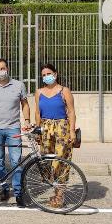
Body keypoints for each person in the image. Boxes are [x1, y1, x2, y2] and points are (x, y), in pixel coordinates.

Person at [0, 58, 31, 208]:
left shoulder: (18, 85)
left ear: (7, 69)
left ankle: (18, 193)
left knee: (16, 162)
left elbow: (25, 104)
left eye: (2, 68)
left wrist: (27, 121)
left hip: (13, 129)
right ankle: (3, 189)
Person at [35, 63, 77, 208]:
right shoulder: (39, 92)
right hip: (45, 129)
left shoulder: (64, 91)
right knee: (46, 161)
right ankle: (55, 189)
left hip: (62, 128)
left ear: (55, 74)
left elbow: (71, 111)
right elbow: (37, 113)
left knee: (61, 160)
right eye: (44, 75)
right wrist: (38, 130)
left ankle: (59, 195)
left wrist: (72, 130)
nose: (46, 77)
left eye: (49, 74)